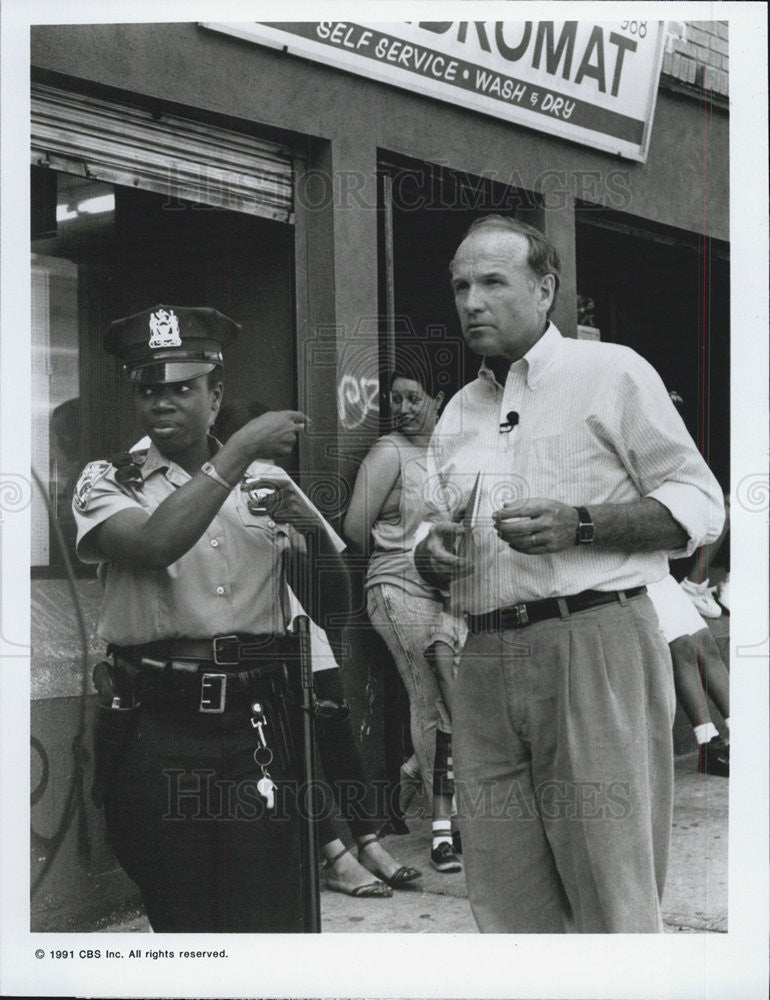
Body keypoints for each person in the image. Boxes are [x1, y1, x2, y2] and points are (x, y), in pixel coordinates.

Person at [415, 215, 725, 933]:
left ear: (545, 288)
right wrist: (433, 555)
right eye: (461, 285)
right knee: (505, 899)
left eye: (493, 282)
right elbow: (430, 536)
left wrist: (582, 523)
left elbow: (700, 504)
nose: (471, 301)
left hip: (594, 640)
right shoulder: (459, 410)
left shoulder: (612, 372)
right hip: (485, 656)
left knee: (611, 895)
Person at [73, 303, 349, 932]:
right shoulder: (107, 479)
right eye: (149, 390)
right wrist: (240, 450)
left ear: (216, 392)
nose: (163, 403)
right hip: (158, 728)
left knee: (269, 920)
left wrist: (303, 530)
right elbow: (153, 545)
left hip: (256, 725)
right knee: (185, 920)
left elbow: (335, 602)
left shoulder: (266, 479)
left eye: (182, 388)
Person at [215, 398, 421, 897]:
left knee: (333, 728)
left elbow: (329, 565)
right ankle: (336, 853)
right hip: (245, 630)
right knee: (286, 742)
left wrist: (302, 529)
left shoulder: (272, 480)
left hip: (296, 618)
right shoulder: (222, 480)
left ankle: (367, 841)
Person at [344, 367, 462, 874]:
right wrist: (399, 546)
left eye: (414, 398)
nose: (405, 407)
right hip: (396, 587)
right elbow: (353, 526)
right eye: (395, 399)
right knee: (428, 696)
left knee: (463, 696)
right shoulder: (389, 451)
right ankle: (449, 824)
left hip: (448, 592)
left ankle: (415, 770)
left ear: (437, 399)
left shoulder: (449, 451)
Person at [647, 574, 730, 776]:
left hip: (659, 573)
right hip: (633, 581)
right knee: (681, 644)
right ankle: (708, 744)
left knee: (706, 643)